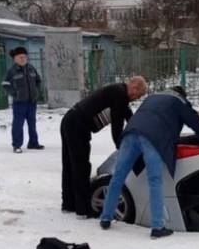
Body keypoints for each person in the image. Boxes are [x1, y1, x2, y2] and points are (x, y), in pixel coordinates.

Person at [99, 86, 199, 239]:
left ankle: (106, 218)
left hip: (131, 133)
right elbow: (194, 122)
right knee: (155, 180)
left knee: (118, 177)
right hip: (153, 138)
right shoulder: (179, 101)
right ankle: (157, 227)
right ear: (182, 95)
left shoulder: (152, 97)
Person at [61, 77, 147, 218]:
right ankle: (82, 209)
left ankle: (68, 203)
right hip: (77, 124)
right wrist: (123, 148)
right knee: (81, 165)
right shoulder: (120, 94)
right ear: (134, 88)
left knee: (70, 164)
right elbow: (117, 127)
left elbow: (129, 117)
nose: (136, 98)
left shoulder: (119, 91)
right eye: (138, 95)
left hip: (70, 119)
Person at [1, 47, 44, 154]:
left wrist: (36, 91)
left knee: (32, 123)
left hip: (31, 102)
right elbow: (5, 85)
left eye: (24, 57)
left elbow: (38, 81)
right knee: (18, 124)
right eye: (20, 57)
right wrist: (15, 94)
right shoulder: (12, 71)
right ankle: (17, 145)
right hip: (19, 103)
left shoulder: (31, 68)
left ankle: (33, 143)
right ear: (15, 58)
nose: (23, 59)